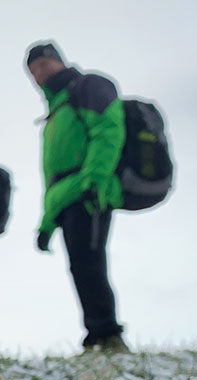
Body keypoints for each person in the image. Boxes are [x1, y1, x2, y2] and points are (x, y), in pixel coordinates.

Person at [26, 41, 130, 353]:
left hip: (89, 192)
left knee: (90, 262)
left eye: (43, 65)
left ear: (59, 61)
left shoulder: (88, 88)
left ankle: (108, 334)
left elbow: (108, 131)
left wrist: (94, 182)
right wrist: (46, 224)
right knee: (80, 265)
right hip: (68, 197)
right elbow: (52, 178)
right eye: (33, 71)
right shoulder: (56, 110)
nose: (39, 75)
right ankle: (96, 334)